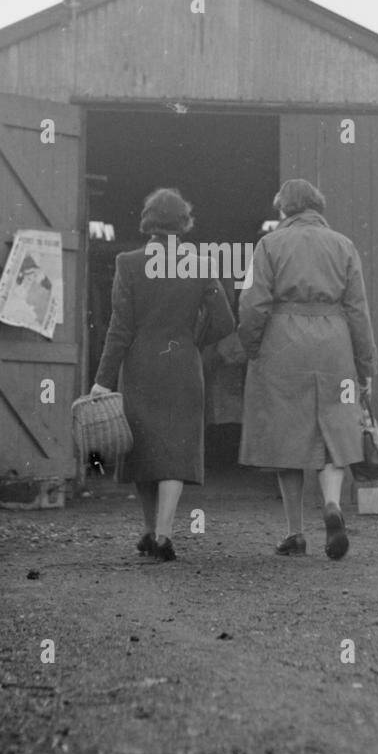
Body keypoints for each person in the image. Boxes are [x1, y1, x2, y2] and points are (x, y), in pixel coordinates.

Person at [238, 178, 378, 560]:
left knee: (288, 437)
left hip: (283, 345)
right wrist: (365, 363)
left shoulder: (269, 245)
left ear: (284, 209)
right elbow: (358, 311)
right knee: (333, 427)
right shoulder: (344, 245)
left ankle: (295, 532)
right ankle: (332, 506)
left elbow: (253, 304)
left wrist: (252, 347)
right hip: (334, 345)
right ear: (318, 207)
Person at [91, 188, 234, 561]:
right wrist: (192, 340)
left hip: (140, 366)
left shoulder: (128, 263)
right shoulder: (201, 263)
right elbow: (225, 321)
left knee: (143, 449)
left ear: (148, 221)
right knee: (176, 450)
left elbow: (119, 329)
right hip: (183, 364)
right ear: (184, 222)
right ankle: (164, 534)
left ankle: (150, 528)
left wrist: (102, 380)